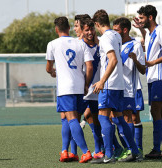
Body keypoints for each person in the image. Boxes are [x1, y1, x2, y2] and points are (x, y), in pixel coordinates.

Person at [90, 9, 142, 163]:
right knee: (119, 118)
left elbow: (113, 60)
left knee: (102, 117)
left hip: (110, 85)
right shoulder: (116, 35)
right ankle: (134, 151)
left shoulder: (106, 37)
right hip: (119, 85)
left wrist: (102, 81)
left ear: (97, 24)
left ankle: (108, 155)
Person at [46, 16, 93, 163]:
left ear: (56, 29)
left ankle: (85, 152)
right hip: (79, 86)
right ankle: (65, 151)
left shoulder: (52, 44)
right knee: (68, 119)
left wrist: (52, 72)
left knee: (71, 119)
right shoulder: (80, 43)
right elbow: (89, 66)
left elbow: (48, 68)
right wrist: (86, 84)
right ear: (68, 28)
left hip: (65, 88)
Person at [135, 5, 162, 159]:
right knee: (161, 112)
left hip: (160, 77)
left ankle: (158, 149)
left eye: (142, 18)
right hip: (153, 78)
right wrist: (141, 30)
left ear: (150, 17)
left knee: (155, 111)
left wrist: (153, 63)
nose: (140, 20)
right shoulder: (151, 33)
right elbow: (148, 42)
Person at [113, 17, 146, 160]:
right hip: (115, 87)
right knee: (113, 118)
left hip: (129, 88)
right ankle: (127, 149)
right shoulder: (115, 44)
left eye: (116, 30)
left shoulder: (135, 45)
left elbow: (143, 70)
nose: (114, 33)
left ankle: (134, 150)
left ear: (124, 30)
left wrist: (135, 59)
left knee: (130, 117)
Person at [79, 18, 105, 159]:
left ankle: (99, 149)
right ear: (82, 32)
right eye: (86, 30)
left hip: (96, 90)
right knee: (76, 119)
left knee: (97, 119)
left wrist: (97, 42)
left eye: (91, 29)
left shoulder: (100, 43)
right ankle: (73, 151)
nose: (90, 32)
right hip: (82, 90)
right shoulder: (79, 45)